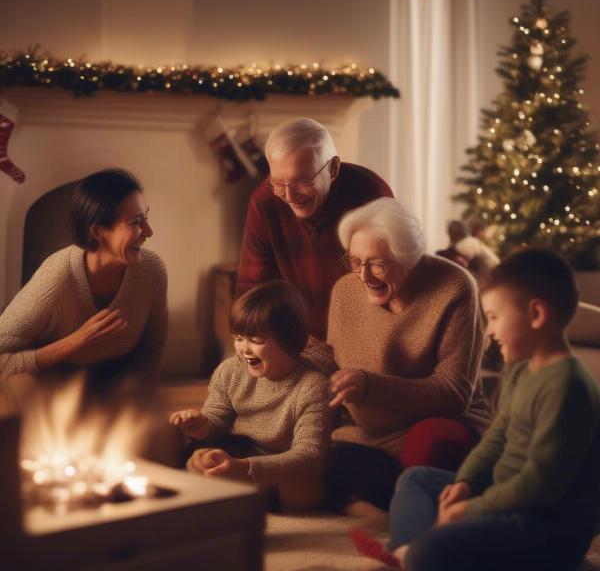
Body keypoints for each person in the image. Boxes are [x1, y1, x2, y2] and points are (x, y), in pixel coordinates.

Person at [351, 248, 600, 571]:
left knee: (434, 551)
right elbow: (496, 439)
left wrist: (471, 510)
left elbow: (539, 485)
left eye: (495, 317)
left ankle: (418, 553)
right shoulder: (523, 371)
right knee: (417, 481)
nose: (491, 331)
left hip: (546, 526)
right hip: (504, 497)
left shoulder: (568, 386)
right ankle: (409, 553)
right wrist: (465, 484)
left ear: (536, 315)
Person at [326, 197, 491, 511]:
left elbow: (454, 393)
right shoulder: (345, 291)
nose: (364, 276)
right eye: (355, 261)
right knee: (312, 455)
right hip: (368, 433)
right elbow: (332, 362)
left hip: (440, 421)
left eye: (377, 263)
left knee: (432, 446)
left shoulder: (455, 287)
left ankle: (384, 501)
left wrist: (371, 386)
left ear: (409, 258)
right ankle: (396, 499)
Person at [0, 169, 167, 395]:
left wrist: (128, 396)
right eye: (136, 222)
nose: (148, 231)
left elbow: (150, 353)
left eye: (146, 217)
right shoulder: (56, 277)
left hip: (112, 394)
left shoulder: (152, 271)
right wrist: (73, 343)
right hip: (49, 397)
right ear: (98, 231)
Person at [169, 280, 331, 511]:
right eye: (238, 338)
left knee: (299, 493)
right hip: (239, 450)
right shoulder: (230, 370)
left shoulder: (313, 386)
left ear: (288, 341)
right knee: (196, 457)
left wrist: (245, 469)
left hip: (281, 464)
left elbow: (309, 456)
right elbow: (217, 418)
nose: (244, 349)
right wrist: (201, 424)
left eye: (256, 341)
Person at [236, 117, 392, 340]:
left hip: (368, 334)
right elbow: (254, 292)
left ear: (333, 169)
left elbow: (388, 284)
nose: (289, 197)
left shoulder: (370, 194)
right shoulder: (265, 202)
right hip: (303, 339)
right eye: (278, 184)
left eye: (302, 182)